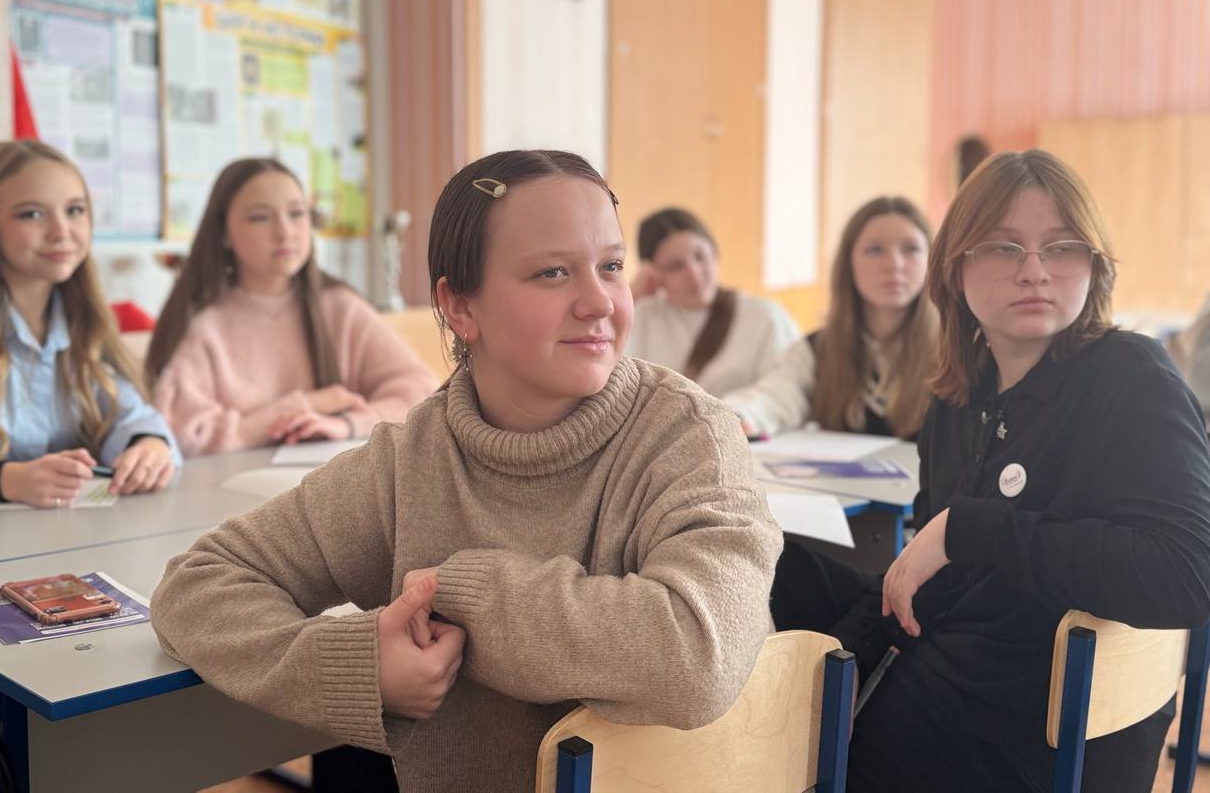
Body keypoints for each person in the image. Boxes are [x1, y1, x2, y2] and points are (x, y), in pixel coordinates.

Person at [150, 150, 781, 793]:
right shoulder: (408, 463)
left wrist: (464, 596)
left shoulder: (689, 435)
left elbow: (698, 658)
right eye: (552, 272)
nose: (599, 302)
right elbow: (198, 585)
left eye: (611, 267)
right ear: (460, 308)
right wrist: (361, 668)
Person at [776, 150, 1210, 792]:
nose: (1034, 271)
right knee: (772, 561)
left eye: (1061, 247)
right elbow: (932, 585)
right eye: (1005, 247)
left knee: (779, 757)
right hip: (964, 672)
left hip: (1045, 731)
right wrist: (846, 657)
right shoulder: (957, 397)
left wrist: (968, 529)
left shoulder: (1131, 374)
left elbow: (1188, 576)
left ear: (1094, 264)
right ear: (955, 268)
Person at [0, 140, 178, 506]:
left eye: (75, 210)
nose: (61, 231)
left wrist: (148, 447)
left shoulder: (83, 319)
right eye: (31, 214)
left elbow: (132, 415)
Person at [147, 158, 438, 456]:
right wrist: (306, 406)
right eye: (260, 217)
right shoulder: (204, 325)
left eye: (297, 213)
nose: (284, 231)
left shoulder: (340, 308)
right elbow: (181, 436)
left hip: (334, 478)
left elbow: (423, 393)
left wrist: (348, 424)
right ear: (224, 234)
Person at [724, 197, 937, 440]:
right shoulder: (817, 349)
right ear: (848, 263)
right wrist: (738, 416)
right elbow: (774, 397)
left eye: (911, 249)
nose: (894, 264)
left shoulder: (955, 350)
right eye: (875, 250)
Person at [626, 207, 799, 397]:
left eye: (700, 256)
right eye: (675, 266)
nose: (694, 273)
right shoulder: (642, 316)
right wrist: (631, 294)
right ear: (653, 273)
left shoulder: (765, 317)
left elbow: (784, 391)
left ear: (714, 253)